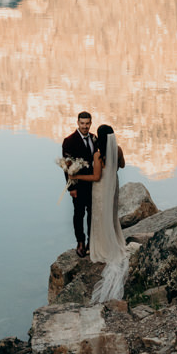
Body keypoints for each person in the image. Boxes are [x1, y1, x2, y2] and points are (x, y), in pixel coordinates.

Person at [73, 123, 129, 302]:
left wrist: (77, 176)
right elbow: (122, 165)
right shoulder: (117, 149)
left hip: (100, 189)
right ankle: (113, 239)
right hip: (113, 186)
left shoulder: (98, 154)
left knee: (99, 217)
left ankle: (103, 245)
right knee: (111, 215)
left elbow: (96, 177)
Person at [62, 110, 96, 257]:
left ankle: (91, 241)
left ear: (90, 123)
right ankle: (80, 242)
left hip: (94, 184)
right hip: (78, 186)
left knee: (92, 214)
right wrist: (72, 188)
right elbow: (67, 168)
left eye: (87, 123)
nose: (85, 126)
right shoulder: (69, 141)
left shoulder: (94, 138)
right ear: (77, 123)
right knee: (78, 214)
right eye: (82, 123)